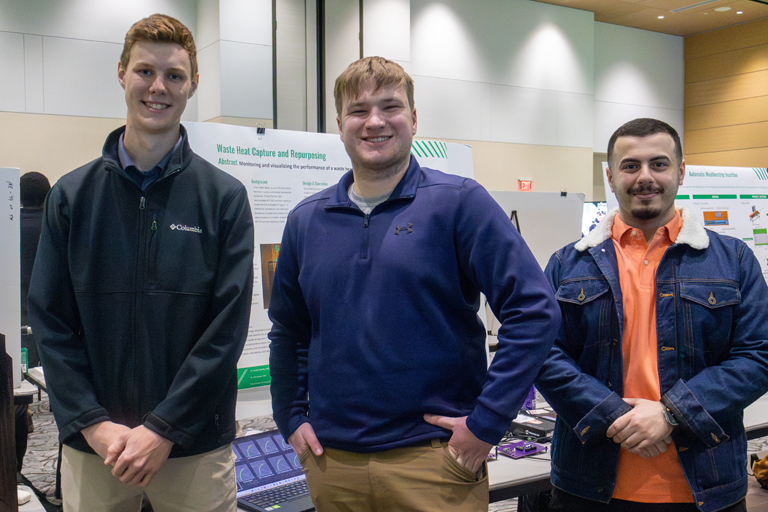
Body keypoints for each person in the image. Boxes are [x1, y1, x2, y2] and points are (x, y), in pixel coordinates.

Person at [268, 56, 560, 511]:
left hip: (434, 463)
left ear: (414, 118)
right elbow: (289, 330)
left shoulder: (459, 203)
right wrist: (288, 414)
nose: (376, 121)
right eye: (360, 110)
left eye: (391, 106)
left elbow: (535, 311)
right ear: (340, 123)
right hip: (333, 464)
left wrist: (487, 422)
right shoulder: (307, 220)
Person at [28, 14, 254, 512]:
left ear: (193, 84)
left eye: (174, 75)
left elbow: (226, 331)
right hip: (96, 448)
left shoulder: (224, 199)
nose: (159, 87)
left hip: (193, 444)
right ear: (121, 73)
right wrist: (93, 423)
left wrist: (163, 429)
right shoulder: (71, 196)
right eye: (145, 71)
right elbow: (50, 320)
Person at [535, 118, 768, 512]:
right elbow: (541, 354)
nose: (645, 177)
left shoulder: (734, 261)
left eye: (658, 164)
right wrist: (612, 415)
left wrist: (672, 414)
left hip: (705, 488)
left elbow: (759, 356)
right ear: (610, 177)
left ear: (681, 171)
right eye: (630, 166)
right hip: (588, 487)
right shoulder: (567, 263)